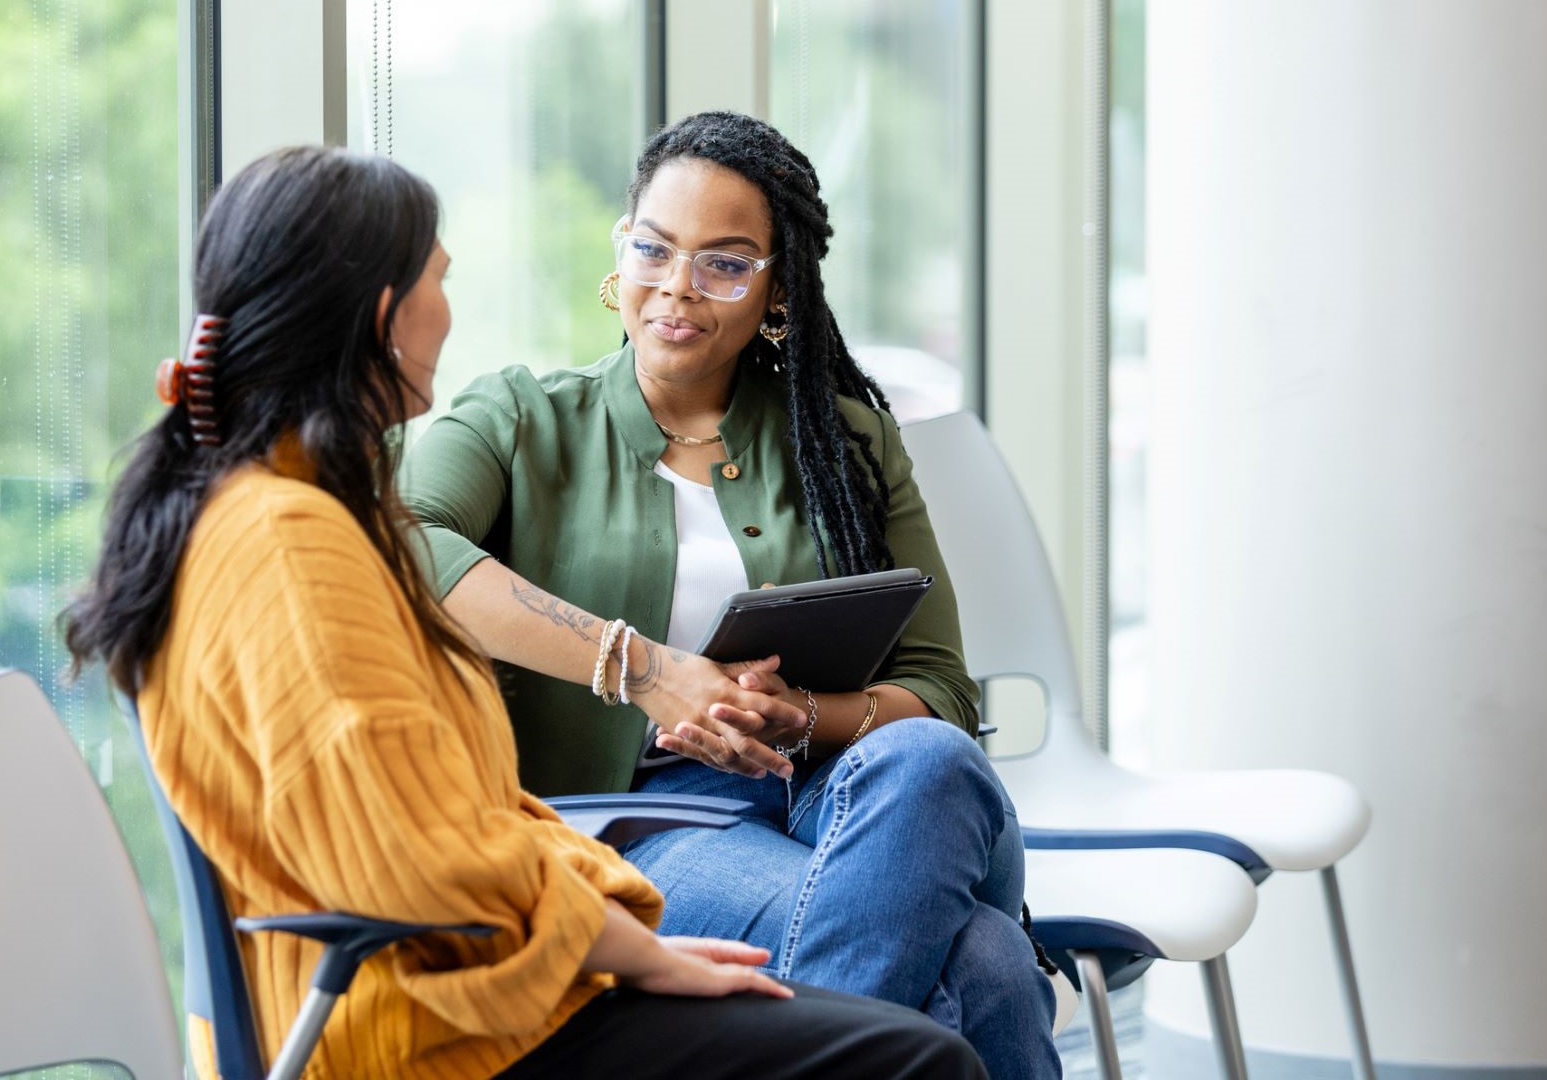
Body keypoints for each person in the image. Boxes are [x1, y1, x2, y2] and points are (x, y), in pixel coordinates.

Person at [62, 145, 983, 1080]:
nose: (678, 289)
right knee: (964, 993)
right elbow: (413, 855)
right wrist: (631, 936)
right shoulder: (298, 540)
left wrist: (626, 923)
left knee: (940, 793)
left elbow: (447, 820)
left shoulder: (284, 517)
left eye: (725, 263)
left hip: (492, 966)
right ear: (388, 315)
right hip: (438, 1019)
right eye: (440, 279)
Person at [403, 112, 1060, 1077]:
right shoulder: (518, 418)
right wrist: (648, 671)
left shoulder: (848, 442)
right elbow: (402, 549)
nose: (677, 287)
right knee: (989, 961)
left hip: (856, 796)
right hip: (647, 822)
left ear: (779, 288)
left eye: (725, 263)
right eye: (653, 249)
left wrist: (794, 718)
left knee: (930, 758)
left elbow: (942, 691)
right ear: (619, 250)